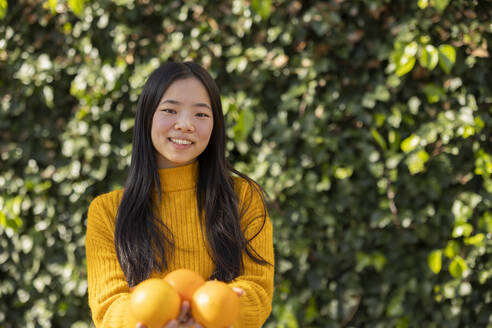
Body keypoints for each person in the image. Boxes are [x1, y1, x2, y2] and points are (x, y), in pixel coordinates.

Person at [85, 61, 274, 328]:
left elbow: (258, 289)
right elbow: (108, 306)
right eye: (170, 110)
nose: (185, 124)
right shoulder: (106, 212)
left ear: (215, 124)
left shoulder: (243, 197)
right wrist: (155, 318)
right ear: (147, 116)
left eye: (201, 114)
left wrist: (216, 312)